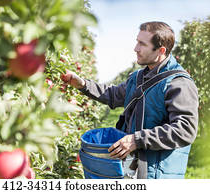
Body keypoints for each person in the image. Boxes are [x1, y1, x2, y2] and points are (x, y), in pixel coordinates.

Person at [60, 21, 199, 179]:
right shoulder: (137, 78)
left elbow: (185, 129)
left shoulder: (179, 83)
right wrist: (83, 84)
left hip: (157, 174)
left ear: (161, 50)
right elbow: (113, 95)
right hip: (132, 169)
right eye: (137, 41)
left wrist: (136, 139)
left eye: (142, 44)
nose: (136, 48)